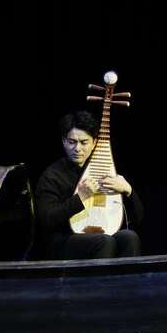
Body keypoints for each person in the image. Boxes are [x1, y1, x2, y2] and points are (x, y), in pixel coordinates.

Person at [35, 110, 143, 260]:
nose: (77, 148)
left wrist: (128, 191)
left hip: (100, 234)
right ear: (64, 141)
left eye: (84, 142)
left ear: (94, 143)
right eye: (72, 142)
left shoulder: (101, 169)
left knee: (129, 237)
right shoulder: (52, 176)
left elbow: (138, 219)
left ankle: (127, 277)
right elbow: (47, 220)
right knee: (104, 241)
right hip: (63, 241)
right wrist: (80, 198)